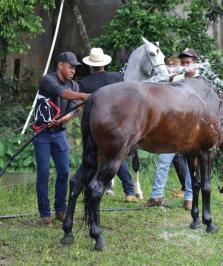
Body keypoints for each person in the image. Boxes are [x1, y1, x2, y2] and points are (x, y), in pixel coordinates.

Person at [33, 51, 90, 227]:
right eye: (70, 66)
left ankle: (60, 209)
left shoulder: (75, 84)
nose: (73, 70)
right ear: (60, 65)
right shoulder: (47, 80)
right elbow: (62, 93)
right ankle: (44, 215)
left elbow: (76, 109)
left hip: (59, 133)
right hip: (41, 134)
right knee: (43, 174)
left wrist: (65, 119)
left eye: (75, 67)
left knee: (64, 173)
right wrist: (86, 96)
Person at [79, 47, 138, 203]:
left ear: (91, 65)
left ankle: (88, 188)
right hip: (118, 124)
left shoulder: (84, 83)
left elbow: (84, 108)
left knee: (91, 155)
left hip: (96, 124)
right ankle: (129, 191)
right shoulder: (116, 77)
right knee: (117, 157)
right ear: (104, 63)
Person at [144, 48, 199, 210]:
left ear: (195, 63)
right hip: (173, 129)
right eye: (183, 63)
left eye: (188, 62)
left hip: (192, 130)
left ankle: (189, 198)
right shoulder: (176, 79)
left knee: (192, 165)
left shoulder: (201, 81)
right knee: (163, 161)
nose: (185, 65)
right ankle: (156, 196)